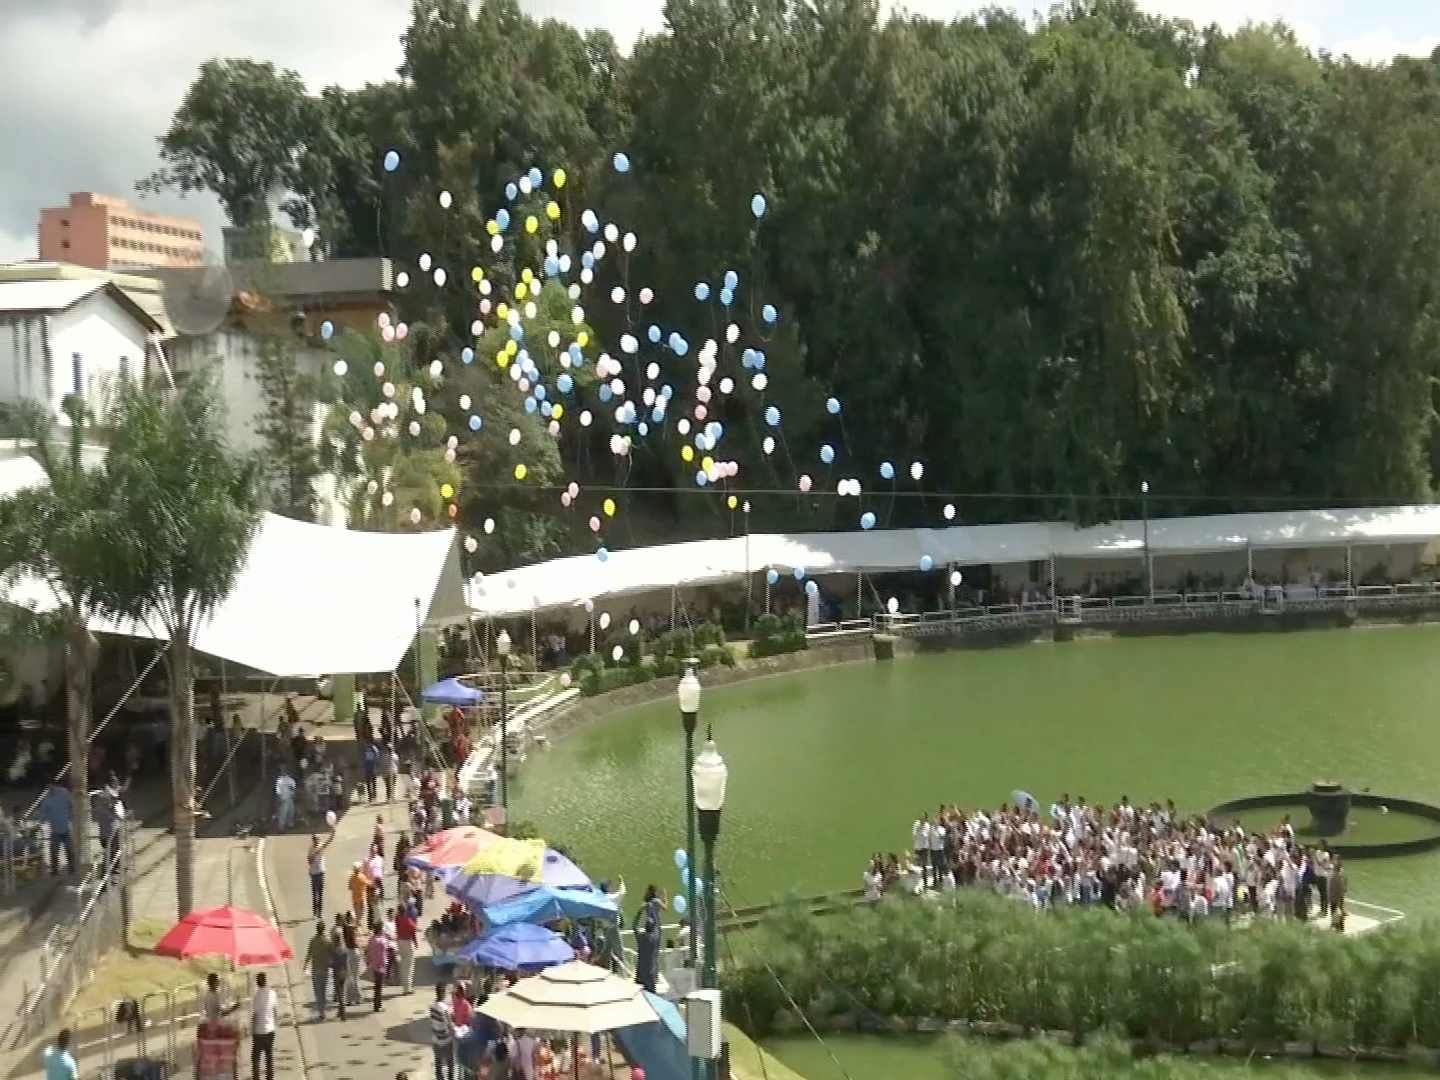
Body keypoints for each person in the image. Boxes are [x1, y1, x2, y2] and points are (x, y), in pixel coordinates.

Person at [38, 780, 74, 876]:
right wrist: (41, 822)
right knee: (54, 850)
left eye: (49, 785)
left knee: (69, 849)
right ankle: (55, 870)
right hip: (55, 827)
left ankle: (72, 868)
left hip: (64, 825)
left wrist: (70, 817)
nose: (48, 787)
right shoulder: (47, 797)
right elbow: (44, 811)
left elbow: (71, 805)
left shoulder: (64, 793)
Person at [632, 885, 663, 993]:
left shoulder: (641, 938)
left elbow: (634, 926)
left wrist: (640, 911)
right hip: (651, 974)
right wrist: (655, 917)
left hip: (640, 973)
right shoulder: (655, 937)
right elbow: (657, 927)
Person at [304, 921, 334, 1020]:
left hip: (315, 968)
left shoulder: (313, 940)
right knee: (323, 990)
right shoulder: (328, 941)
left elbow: (309, 953)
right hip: (324, 968)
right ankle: (322, 1010)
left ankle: (321, 1011)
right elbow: (332, 953)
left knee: (317, 991)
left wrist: (305, 965)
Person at [251, 971, 278, 1080]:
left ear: (257, 983)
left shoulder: (256, 996)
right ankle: (269, 1077)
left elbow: (256, 1014)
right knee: (269, 1055)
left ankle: (256, 1077)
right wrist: (274, 1024)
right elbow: (275, 1011)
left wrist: (252, 1029)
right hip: (270, 1030)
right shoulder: (272, 994)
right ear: (266, 981)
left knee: (255, 1057)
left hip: (259, 1030)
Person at [430, 983, 456, 1080]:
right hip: (446, 1039)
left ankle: (439, 1078)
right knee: (450, 1063)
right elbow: (449, 1024)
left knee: (438, 1063)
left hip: (436, 1038)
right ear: (443, 993)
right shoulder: (444, 1008)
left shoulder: (432, 1006)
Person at [307, 831, 333, 919]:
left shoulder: (321, 846)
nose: (316, 841)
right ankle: (314, 913)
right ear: (313, 840)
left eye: (317, 839)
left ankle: (320, 913)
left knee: (320, 893)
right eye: (315, 840)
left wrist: (333, 832)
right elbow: (309, 861)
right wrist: (314, 855)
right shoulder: (311, 848)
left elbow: (329, 841)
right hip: (313, 873)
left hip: (321, 872)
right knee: (314, 894)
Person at [396, 903, 418, 993]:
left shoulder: (397, 918)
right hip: (408, 943)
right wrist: (416, 943)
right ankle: (407, 988)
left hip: (400, 942)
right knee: (409, 967)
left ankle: (404, 985)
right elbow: (413, 933)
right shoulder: (408, 920)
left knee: (403, 965)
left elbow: (397, 928)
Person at [367, 922, 389, 1012]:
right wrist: (385, 964)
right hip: (380, 966)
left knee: (377, 986)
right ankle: (378, 1006)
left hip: (374, 965)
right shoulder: (381, 941)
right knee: (379, 987)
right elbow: (383, 955)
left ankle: (376, 1005)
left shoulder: (372, 939)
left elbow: (369, 952)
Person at [330, 928, 350, 1021]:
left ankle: (343, 1013)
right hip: (344, 972)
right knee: (342, 991)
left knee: (339, 994)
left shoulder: (334, 950)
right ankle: (340, 1011)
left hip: (337, 973)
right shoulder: (344, 949)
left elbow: (332, 963)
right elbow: (346, 962)